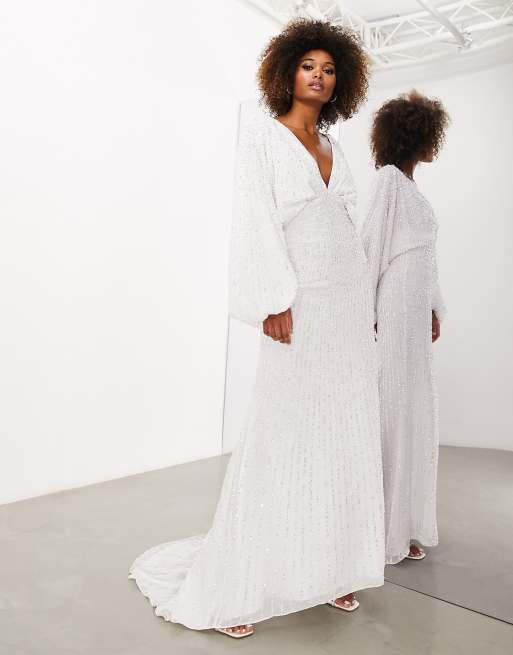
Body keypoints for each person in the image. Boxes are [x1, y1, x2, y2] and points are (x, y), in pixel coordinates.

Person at [128, 18, 385, 638]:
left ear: (341, 82)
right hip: (300, 299)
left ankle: (334, 566)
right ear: (287, 72)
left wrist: (367, 305)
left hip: (346, 304)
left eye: (329, 70)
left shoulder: (335, 146)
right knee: (283, 430)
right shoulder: (264, 138)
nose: (319, 77)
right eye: (309, 66)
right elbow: (254, 221)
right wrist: (271, 299)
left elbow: (348, 227)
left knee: (342, 430)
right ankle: (239, 585)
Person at [361, 89, 450, 566]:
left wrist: (434, 307)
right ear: (414, 136)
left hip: (415, 310)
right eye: (431, 135)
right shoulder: (389, 182)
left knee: (413, 408)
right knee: (391, 409)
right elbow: (371, 246)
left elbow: (427, 259)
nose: (436, 143)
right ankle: (378, 527)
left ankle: (405, 521)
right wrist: (367, 311)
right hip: (393, 305)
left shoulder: (413, 189)